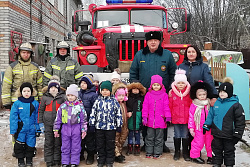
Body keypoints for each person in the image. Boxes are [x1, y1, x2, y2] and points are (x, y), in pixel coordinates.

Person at [130, 31, 177, 152]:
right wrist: (136, 87)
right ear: (147, 42)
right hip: (145, 94)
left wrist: (171, 87)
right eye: (151, 40)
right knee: (147, 117)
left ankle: (162, 143)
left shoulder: (167, 55)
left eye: (156, 40)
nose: (153, 42)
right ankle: (147, 142)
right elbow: (134, 72)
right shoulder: (140, 55)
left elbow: (173, 73)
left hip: (163, 94)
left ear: (160, 41)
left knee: (162, 117)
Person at [203, 77, 245, 167]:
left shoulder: (236, 105)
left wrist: (238, 133)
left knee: (229, 151)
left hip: (229, 135)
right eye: (220, 92)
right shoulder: (217, 103)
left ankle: (229, 165)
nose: (222, 94)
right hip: (217, 133)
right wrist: (206, 124)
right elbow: (211, 114)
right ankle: (217, 163)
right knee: (216, 149)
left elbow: (240, 121)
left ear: (229, 93)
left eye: (224, 92)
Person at [89, 81, 123, 167]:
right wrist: (92, 124)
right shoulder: (97, 101)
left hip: (110, 128)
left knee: (110, 144)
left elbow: (118, 114)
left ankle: (109, 160)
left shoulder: (114, 102)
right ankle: (101, 159)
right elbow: (93, 113)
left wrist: (119, 125)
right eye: (103, 90)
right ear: (100, 91)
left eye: (107, 90)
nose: (104, 92)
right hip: (99, 127)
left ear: (110, 91)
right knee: (100, 144)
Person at [53, 84, 87, 167]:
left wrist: (83, 130)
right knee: (65, 146)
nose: (70, 97)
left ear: (76, 96)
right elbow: (58, 118)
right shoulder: (63, 106)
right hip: (65, 128)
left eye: (72, 95)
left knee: (76, 146)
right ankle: (65, 161)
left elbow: (84, 119)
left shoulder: (80, 107)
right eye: (68, 95)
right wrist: (56, 129)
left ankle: (74, 162)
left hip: (76, 128)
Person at [2, 42, 43, 110]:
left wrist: (41, 100)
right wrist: (6, 102)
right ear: (20, 53)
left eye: (28, 53)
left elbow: (40, 85)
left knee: (32, 120)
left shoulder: (35, 67)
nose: (26, 55)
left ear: (31, 54)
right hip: (16, 102)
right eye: (23, 52)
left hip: (32, 102)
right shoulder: (12, 67)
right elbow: (6, 85)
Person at [10, 82, 41, 167]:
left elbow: (37, 117)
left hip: (31, 129)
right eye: (24, 91)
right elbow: (13, 118)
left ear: (32, 92)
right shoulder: (17, 104)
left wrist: (38, 128)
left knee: (30, 145)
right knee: (19, 145)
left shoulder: (35, 103)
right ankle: (20, 160)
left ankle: (29, 160)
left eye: (28, 91)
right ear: (21, 92)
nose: (26, 93)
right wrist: (13, 129)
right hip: (20, 129)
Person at [38, 75, 66, 167]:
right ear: (48, 89)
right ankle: (49, 160)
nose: (53, 89)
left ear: (58, 89)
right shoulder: (45, 98)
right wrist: (40, 122)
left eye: (55, 88)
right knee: (48, 142)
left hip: (59, 125)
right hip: (48, 124)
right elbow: (41, 110)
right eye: (51, 88)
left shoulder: (62, 98)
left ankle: (57, 159)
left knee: (58, 142)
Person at [142, 75, 171, 159]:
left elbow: (166, 107)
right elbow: (145, 107)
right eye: (154, 85)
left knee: (159, 138)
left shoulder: (164, 95)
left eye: (158, 85)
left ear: (161, 85)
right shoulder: (148, 94)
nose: (156, 87)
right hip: (150, 121)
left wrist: (168, 117)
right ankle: (149, 151)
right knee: (149, 137)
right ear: (151, 85)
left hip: (160, 121)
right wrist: (144, 117)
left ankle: (157, 152)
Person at [169, 69, 192, 161]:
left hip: (186, 118)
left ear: (186, 83)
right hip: (176, 118)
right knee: (177, 134)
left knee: (185, 135)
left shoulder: (189, 94)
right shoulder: (172, 94)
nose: (181, 85)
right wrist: (169, 116)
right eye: (179, 83)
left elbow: (191, 106)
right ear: (175, 84)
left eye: (183, 83)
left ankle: (185, 152)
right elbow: (170, 106)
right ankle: (177, 151)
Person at [188, 81, 213, 164]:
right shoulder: (194, 105)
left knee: (210, 142)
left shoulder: (209, 104)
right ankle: (195, 156)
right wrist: (191, 128)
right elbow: (191, 117)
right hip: (199, 127)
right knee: (198, 142)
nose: (202, 97)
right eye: (200, 95)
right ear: (196, 95)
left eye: (204, 94)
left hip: (209, 127)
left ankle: (211, 156)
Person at [78, 74, 98, 165]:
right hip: (79, 121)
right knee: (79, 139)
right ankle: (80, 154)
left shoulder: (93, 95)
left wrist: (93, 121)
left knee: (89, 140)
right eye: (81, 83)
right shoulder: (79, 93)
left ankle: (90, 156)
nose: (82, 85)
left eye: (85, 83)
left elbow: (95, 108)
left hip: (89, 121)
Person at [126, 81, 146, 156]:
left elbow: (143, 107)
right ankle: (130, 146)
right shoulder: (128, 98)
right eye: (133, 89)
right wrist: (128, 111)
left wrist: (143, 117)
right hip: (130, 118)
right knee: (130, 133)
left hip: (138, 118)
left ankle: (137, 146)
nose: (135, 91)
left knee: (137, 133)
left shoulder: (141, 98)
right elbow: (126, 106)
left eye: (137, 89)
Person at [112, 83, 129, 163]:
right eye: (119, 96)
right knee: (116, 140)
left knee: (122, 139)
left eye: (123, 95)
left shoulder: (124, 104)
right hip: (117, 125)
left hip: (124, 125)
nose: (121, 97)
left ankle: (120, 152)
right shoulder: (115, 104)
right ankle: (117, 154)